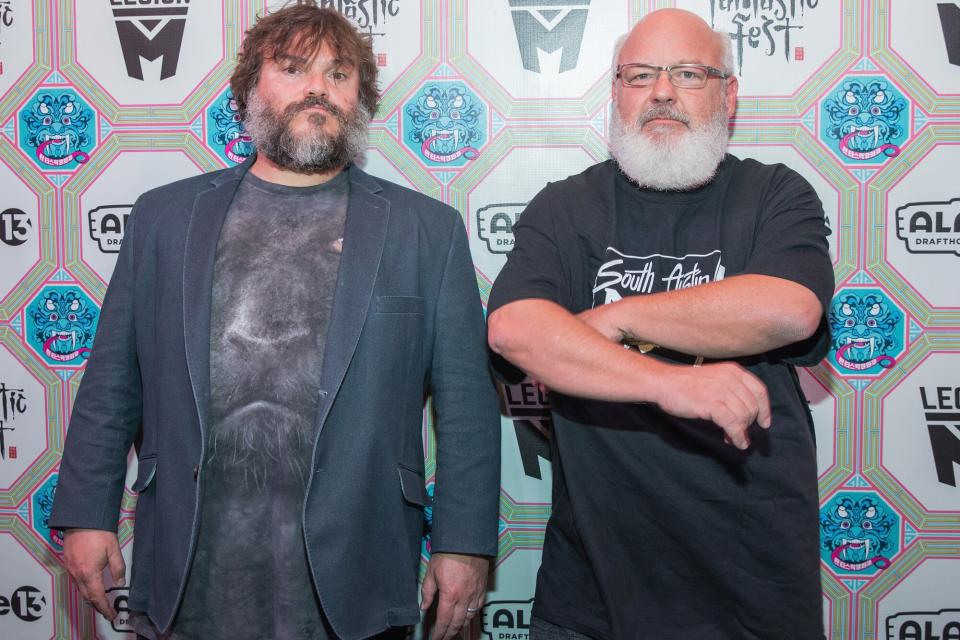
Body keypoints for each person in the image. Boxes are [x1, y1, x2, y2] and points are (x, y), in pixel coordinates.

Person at [49, 3, 500, 639]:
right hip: (189, 568)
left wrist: (465, 545)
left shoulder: (426, 231)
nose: (318, 87)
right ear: (248, 90)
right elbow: (111, 382)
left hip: (357, 570)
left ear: (360, 99)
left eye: (339, 74)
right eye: (293, 68)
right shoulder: (163, 219)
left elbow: (468, 408)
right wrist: (88, 514)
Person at [487, 8, 833, 640]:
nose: (662, 92)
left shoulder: (776, 195)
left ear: (728, 93)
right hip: (590, 595)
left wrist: (617, 318)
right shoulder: (566, 207)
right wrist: (668, 383)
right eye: (640, 75)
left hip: (750, 592)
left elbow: (788, 308)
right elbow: (516, 331)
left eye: (688, 73)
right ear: (616, 93)